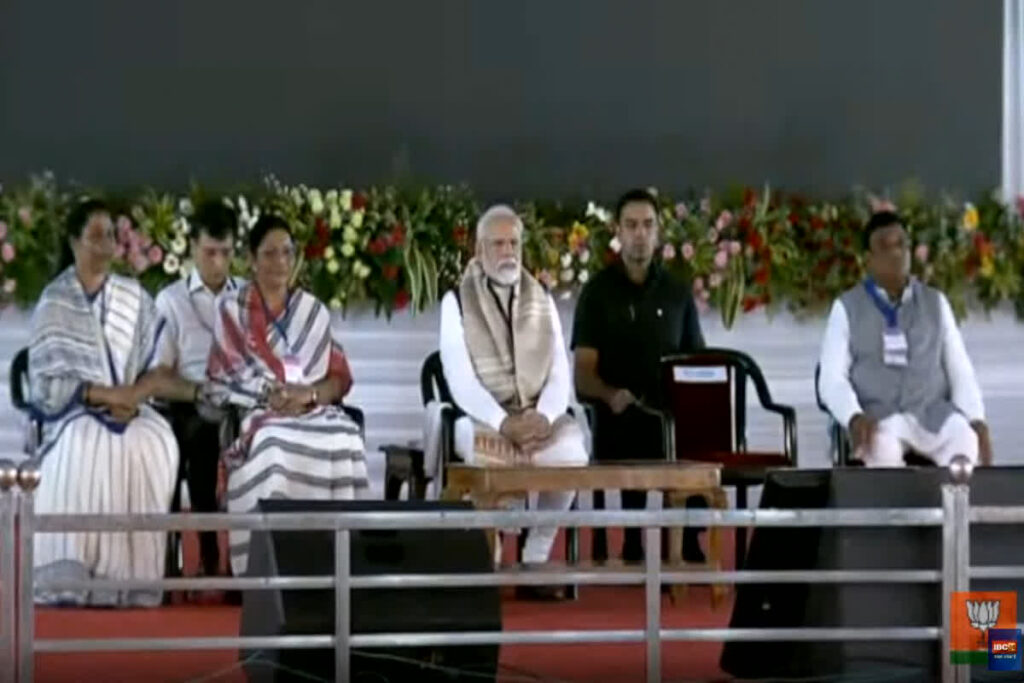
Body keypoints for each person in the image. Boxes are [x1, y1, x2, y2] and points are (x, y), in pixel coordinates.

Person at [27, 198, 179, 607]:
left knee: (155, 442)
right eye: (96, 236)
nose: (106, 244)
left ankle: (131, 578)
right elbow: (44, 382)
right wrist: (105, 394)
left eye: (111, 235)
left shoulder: (132, 296)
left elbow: (160, 364)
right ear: (74, 242)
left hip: (131, 407)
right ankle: (69, 573)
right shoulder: (54, 301)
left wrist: (134, 395)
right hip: (74, 412)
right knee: (85, 445)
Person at [206, 213, 369, 577]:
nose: (280, 262)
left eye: (287, 252)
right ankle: (271, 564)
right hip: (261, 412)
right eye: (270, 253)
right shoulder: (231, 309)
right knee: (275, 444)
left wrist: (308, 395)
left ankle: (336, 564)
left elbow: (337, 379)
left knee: (346, 437)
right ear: (251, 259)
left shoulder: (312, 311)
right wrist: (272, 395)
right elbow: (221, 378)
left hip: (312, 408)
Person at [439, 204, 588, 599]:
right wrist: (503, 422)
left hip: (536, 417)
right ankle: (489, 556)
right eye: (498, 244)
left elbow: (559, 370)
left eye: (514, 244)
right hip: (485, 417)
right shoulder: (456, 300)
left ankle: (535, 556)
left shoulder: (541, 298)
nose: (508, 252)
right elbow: (460, 379)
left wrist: (544, 417)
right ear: (479, 249)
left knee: (572, 454)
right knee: (481, 450)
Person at [572, 188, 706, 564]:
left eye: (648, 225)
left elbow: (698, 362)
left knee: (692, 431)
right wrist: (610, 394)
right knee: (633, 424)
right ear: (618, 231)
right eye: (631, 225)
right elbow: (582, 375)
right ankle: (632, 538)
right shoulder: (597, 293)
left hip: (670, 415)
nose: (640, 234)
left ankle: (689, 538)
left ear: (658, 231)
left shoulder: (678, 292)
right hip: (618, 414)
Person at [818, 210, 993, 467]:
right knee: (880, 447)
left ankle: (949, 495)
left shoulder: (935, 302)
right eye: (885, 246)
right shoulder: (846, 307)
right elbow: (831, 379)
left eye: (901, 244)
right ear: (868, 259)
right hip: (879, 419)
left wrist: (976, 419)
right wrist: (853, 417)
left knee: (965, 440)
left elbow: (960, 371)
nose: (896, 253)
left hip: (933, 415)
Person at [150, 200, 243, 579]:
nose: (218, 263)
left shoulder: (248, 297)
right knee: (203, 440)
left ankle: (250, 558)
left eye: (226, 253)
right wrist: (199, 391)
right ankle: (209, 551)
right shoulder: (171, 301)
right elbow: (158, 375)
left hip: (244, 404)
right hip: (193, 405)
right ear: (191, 248)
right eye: (209, 253)